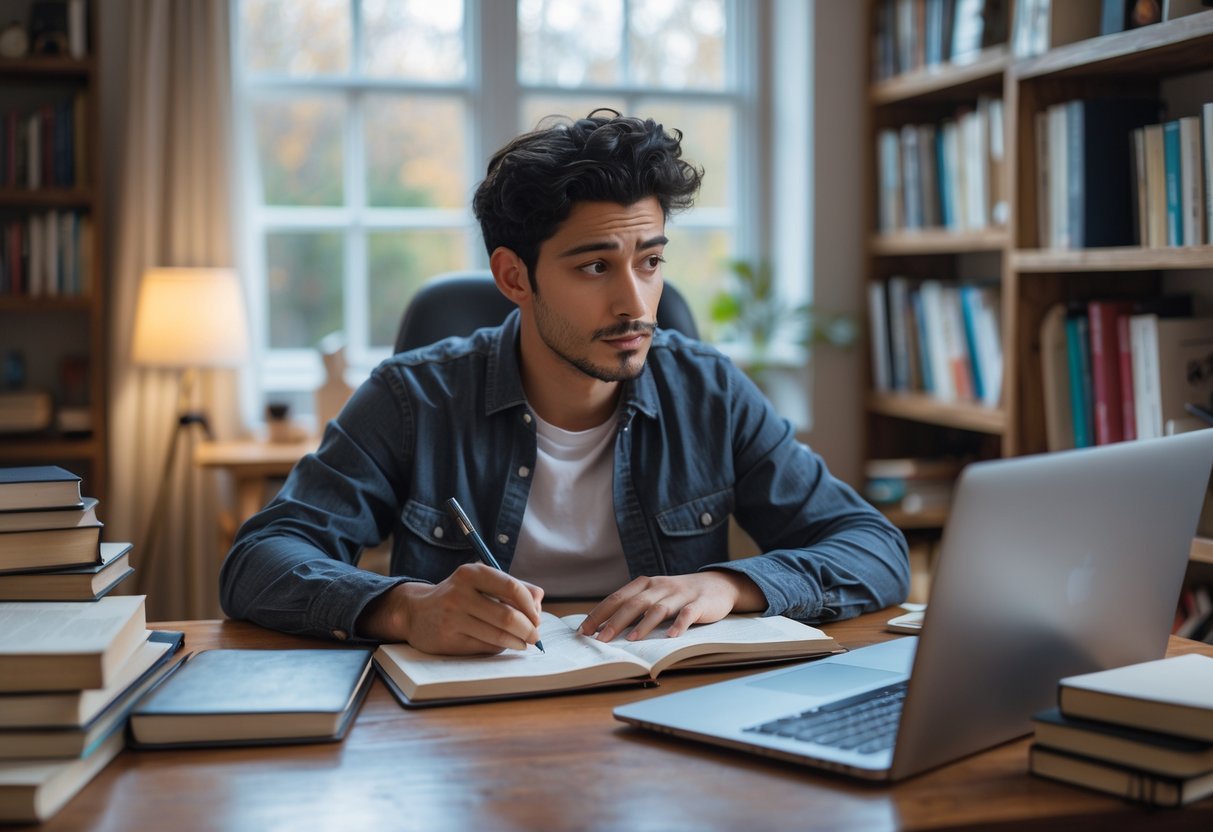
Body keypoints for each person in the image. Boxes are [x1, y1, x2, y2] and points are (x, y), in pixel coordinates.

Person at [219, 109, 909, 655]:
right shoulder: (412, 398)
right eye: (594, 267)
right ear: (514, 277)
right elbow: (258, 561)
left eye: (650, 260)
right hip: (466, 723)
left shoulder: (708, 390)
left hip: (667, 716)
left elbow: (872, 548)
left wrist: (727, 585)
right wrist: (405, 607)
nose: (637, 303)